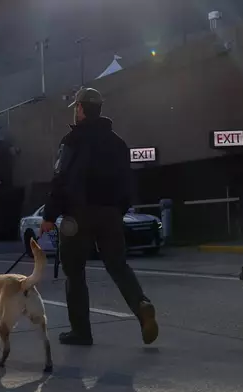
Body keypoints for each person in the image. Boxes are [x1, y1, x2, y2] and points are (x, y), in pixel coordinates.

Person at [40, 87, 158, 346]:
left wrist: (49, 215)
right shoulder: (117, 143)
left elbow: (60, 180)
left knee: (75, 272)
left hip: (78, 215)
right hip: (110, 214)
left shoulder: (72, 140)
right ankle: (141, 305)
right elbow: (128, 183)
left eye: (76, 107)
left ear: (81, 108)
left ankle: (81, 332)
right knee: (118, 266)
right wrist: (118, 210)